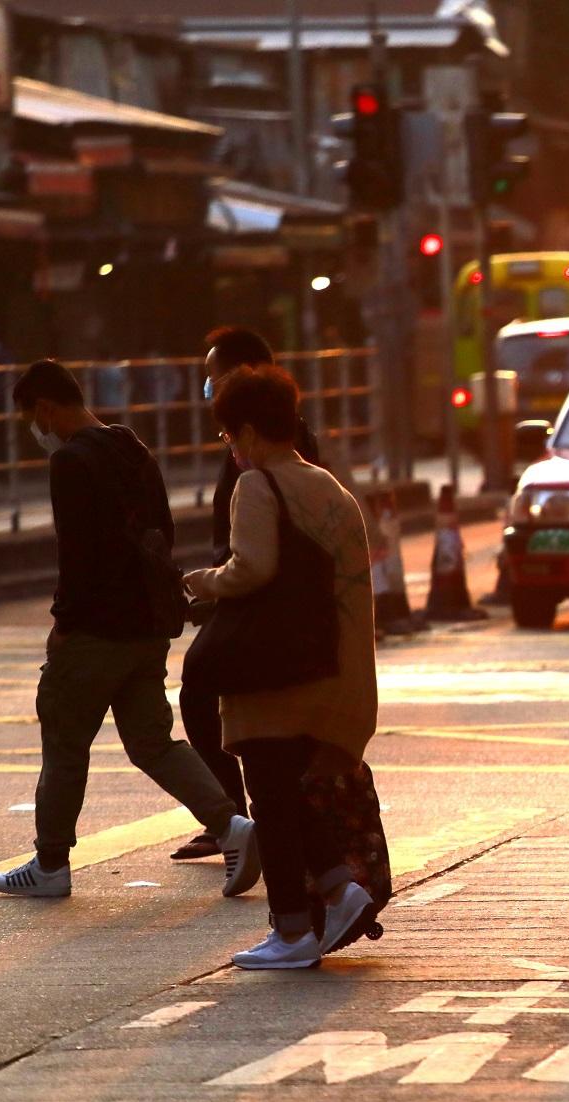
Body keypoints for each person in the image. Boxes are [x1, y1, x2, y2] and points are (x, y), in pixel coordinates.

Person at [0, 361, 258, 899]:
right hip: (148, 623)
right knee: (152, 742)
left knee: (64, 738)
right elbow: (164, 531)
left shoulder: (70, 463)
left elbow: (77, 557)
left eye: (32, 420)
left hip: (95, 630)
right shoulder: (132, 446)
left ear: (45, 408)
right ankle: (233, 826)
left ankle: (50, 863)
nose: (37, 432)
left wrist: (64, 625)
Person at [183, 366, 377, 969]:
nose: (230, 449)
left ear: (245, 429)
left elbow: (253, 568)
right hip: (331, 670)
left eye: (228, 437)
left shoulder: (258, 485)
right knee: (289, 796)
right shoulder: (328, 486)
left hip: (275, 675)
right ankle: (341, 890)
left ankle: (292, 930)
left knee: (269, 797)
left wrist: (202, 582)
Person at [173, 326, 323, 862]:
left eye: (213, 377)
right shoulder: (254, 442)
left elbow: (259, 558)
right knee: (213, 701)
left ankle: (243, 825)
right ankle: (237, 820)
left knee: (217, 700)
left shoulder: (269, 456)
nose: (208, 389)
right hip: (248, 597)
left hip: (261, 605)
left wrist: (209, 584)